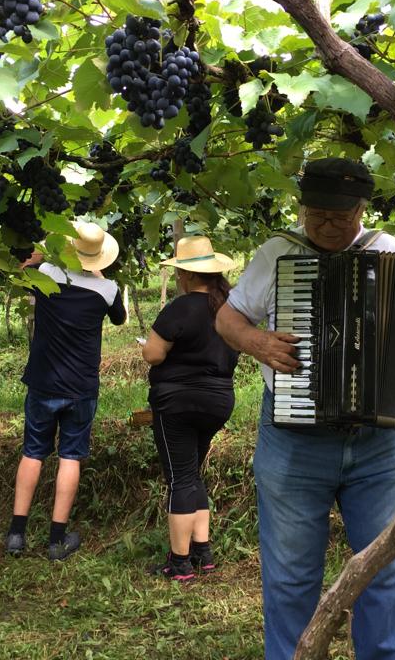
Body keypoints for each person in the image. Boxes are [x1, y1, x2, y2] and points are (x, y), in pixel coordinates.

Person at [215, 158, 395, 660]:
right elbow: (227, 318)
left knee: (383, 569)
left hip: (379, 441)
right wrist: (258, 342)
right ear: (302, 207)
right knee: (289, 575)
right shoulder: (278, 253)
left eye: (340, 216)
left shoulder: (388, 250)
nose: (327, 225)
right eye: (317, 214)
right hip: (293, 440)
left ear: (362, 209)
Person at [5, 221, 127, 560]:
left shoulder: (46, 274)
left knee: (33, 452)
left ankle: (17, 534)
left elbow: (22, 271)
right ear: (100, 257)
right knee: (71, 456)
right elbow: (120, 318)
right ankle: (56, 541)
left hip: (43, 380)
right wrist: (99, 275)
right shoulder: (107, 290)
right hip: (81, 386)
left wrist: (44, 254)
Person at [142, 236, 239, 582]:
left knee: (180, 479)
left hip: (177, 402)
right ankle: (203, 551)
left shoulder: (179, 308)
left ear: (184, 274)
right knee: (192, 473)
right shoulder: (229, 308)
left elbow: (153, 354)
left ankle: (179, 564)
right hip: (218, 401)